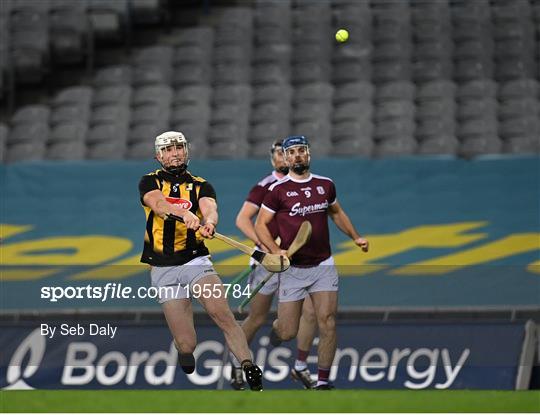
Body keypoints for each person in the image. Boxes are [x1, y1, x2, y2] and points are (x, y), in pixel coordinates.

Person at [138, 131, 263, 391]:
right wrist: (184, 214)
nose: (175, 153)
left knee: (223, 315)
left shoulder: (201, 185)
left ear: (186, 151)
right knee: (186, 344)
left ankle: (248, 365)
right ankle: (183, 352)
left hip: (195, 261)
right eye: (168, 149)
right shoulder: (149, 181)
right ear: (158, 156)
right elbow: (159, 205)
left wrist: (209, 223)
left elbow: (209, 208)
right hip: (163, 269)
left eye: (178, 148)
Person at [254, 135, 369, 390]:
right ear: (285, 158)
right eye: (291, 152)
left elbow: (337, 213)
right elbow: (260, 225)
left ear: (309, 154)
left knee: (326, 321)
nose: (297, 156)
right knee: (287, 332)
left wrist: (355, 237)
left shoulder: (325, 185)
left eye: (301, 151)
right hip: (293, 269)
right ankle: (277, 329)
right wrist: (276, 250)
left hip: (323, 266)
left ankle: (323, 381)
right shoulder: (277, 191)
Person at [230, 139, 318, 390]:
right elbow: (242, 220)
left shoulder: (306, 184)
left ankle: (300, 366)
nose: (283, 158)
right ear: (274, 159)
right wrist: (268, 247)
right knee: (257, 317)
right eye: (279, 154)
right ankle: (239, 365)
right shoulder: (266, 185)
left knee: (310, 312)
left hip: (296, 261)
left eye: (286, 153)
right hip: (268, 261)